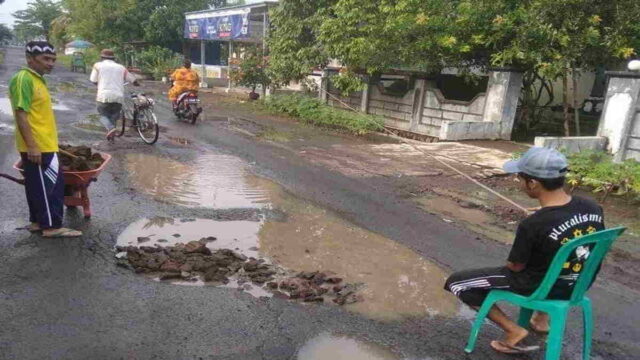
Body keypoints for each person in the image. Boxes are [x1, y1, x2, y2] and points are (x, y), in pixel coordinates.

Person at [444, 147, 605, 355]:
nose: (519, 183)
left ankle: (514, 330)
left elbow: (515, 266)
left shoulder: (534, 224)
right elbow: (570, 225)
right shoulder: (591, 206)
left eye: (521, 178)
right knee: (553, 260)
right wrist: (545, 215)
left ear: (533, 183)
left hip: (539, 286)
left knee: (457, 282)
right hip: (577, 284)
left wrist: (537, 222)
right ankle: (541, 319)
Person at [9, 41, 82, 238]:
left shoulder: (38, 79)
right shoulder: (23, 79)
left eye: (53, 60)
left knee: (37, 186)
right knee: (50, 188)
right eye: (45, 59)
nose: (50, 63)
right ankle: (51, 227)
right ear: (30, 59)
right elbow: (21, 113)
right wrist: (33, 146)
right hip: (38, 146)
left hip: (44, 143)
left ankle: (37, 222)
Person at [89, 49, 138, 141]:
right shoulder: (121, 67)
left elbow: (93, 80)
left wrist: (100, 85)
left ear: (102, 57)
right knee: (113, 117)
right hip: (118, 97)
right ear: (114, 58)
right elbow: (133, 80)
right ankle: (111, 136)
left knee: (102, 115)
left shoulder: (98, 65)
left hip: (103, 95)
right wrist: (137, 83)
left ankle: (111, 129)